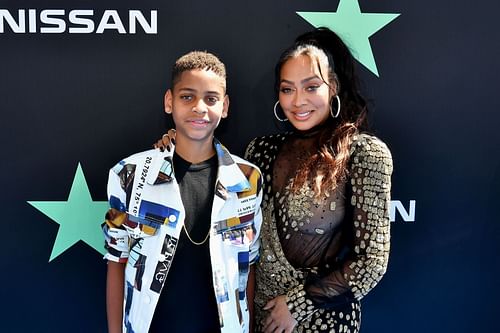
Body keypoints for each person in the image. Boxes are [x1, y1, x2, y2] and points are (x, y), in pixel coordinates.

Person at [156, 27, 393, 333]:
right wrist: (181, 140)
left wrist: (296, 305)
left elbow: (371, 262)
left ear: (332, 87)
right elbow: (215, 178)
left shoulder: (364, 153)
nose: (298, 101)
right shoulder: (262, 150)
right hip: (256, 319)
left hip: (321, 320)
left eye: (311, 87)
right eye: (287, 89)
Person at [103, 51, 263, 333]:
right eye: (187, 96)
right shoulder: (129, 174)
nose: (199, 108)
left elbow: (246, 270)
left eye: (211, 99)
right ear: (169, 102)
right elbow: (117, 261)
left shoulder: (247, 180)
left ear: (224, 107)